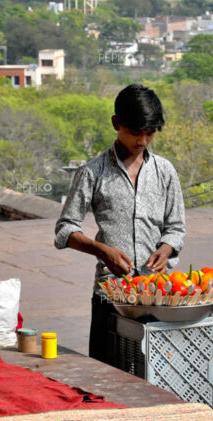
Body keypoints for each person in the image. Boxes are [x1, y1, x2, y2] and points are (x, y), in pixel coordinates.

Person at [54, 83, 186, 362]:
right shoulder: (92, 172)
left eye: (149, 134)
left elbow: (176, 228)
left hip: (157, 294)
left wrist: (166, 249)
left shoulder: (165, 172)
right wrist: (103, 251)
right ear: (116, 123)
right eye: (134, 132)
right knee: (106, 374)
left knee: (154, 372)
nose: (142, 141)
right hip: (110, 294)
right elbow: (65, 230)